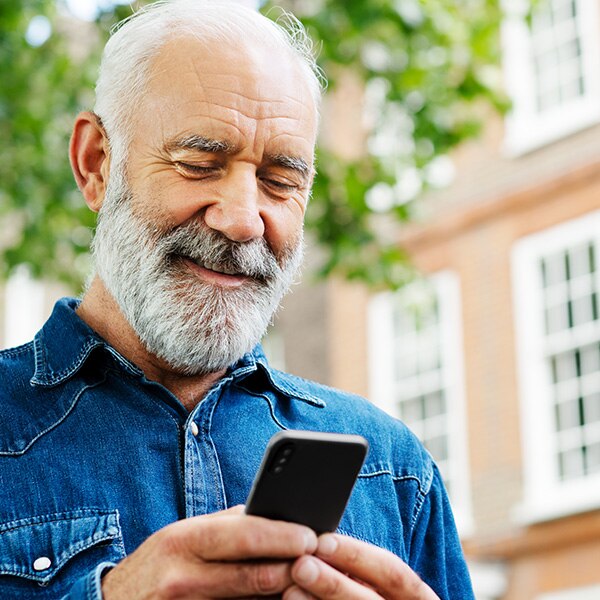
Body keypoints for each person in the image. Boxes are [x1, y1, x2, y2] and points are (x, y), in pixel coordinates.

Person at [0, 1, 475, 599]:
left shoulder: (394, 470)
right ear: (96, 164)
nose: (245, 219)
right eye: (199, 164)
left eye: (281, 181)